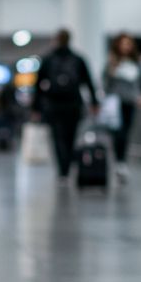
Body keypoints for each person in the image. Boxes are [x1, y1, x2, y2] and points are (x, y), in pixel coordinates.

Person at [34, 29, 98, 183]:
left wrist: (36, 107)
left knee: (58, 137)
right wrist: (94, 102)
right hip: (73, 103)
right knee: (70, 136)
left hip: (54, 104)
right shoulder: (78, 59)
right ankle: (67, 166)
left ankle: (63, 170)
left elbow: (38, 85)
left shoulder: (48, 59)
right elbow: (88, 82)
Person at [102, 33, 141, 182]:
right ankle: (119, 161)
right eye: (123, 44)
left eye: (128, 44)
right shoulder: (112, 62)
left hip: (131, 101)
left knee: (126, 131)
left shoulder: (137, 63)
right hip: (116, 103)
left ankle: (121, 161)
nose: (126, 47)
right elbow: (105, 82)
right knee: (118, 132)